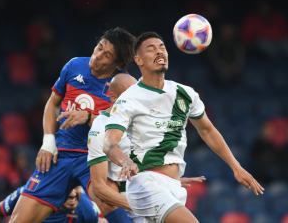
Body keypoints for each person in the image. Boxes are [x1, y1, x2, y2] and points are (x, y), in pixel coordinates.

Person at [102, 32, 264, 222]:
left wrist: (236, 167)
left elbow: (207, 130)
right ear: (138, 60)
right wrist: (124, 160)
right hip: (146, 182)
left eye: (162, 47)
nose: (159, 51)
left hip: (174, 185)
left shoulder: (185, 93)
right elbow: (109, 142)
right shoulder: (129, 98)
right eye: (151, 48)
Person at [9, 27, 136, 223]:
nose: (97, 55)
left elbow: (126, 130)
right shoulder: (75, 65)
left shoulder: (123, 86)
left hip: (95, 159)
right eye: (99, 47)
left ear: (118, 63)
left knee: (112, 206)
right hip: (61, 154)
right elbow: (53, 103)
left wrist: (89, 117)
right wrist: (48, 141)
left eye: (106, 54)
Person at [87, 73, 207, 221]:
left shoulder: (141, 119)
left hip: (154, 192)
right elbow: (99, 188)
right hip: (137, 206)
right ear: (113, 97)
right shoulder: (101, 129)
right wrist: (140, 205)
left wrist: (168, 178)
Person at [0, 186, 101, 223]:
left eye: (76, 186)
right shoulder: (31, 193)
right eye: (66, 188)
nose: (72, 194)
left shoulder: (88, 210)